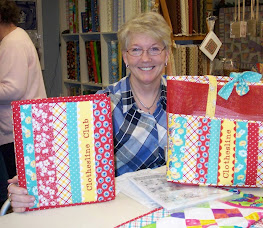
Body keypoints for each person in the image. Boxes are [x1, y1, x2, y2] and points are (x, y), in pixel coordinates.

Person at [6, 11, 171, 212]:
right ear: (125, 56)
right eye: (136, 50)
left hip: (175, 207)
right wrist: (30, 185)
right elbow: (65, 164)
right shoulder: (99, 106)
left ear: (167, 55)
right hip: (117, 212)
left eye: (154, 49)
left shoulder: (185, 100)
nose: (145, 58)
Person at [0, 0, 47, 208]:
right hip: (21, 128)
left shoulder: (13, 43)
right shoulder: (15, 39)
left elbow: (13, 88)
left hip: (18, 130)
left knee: (23, 194)